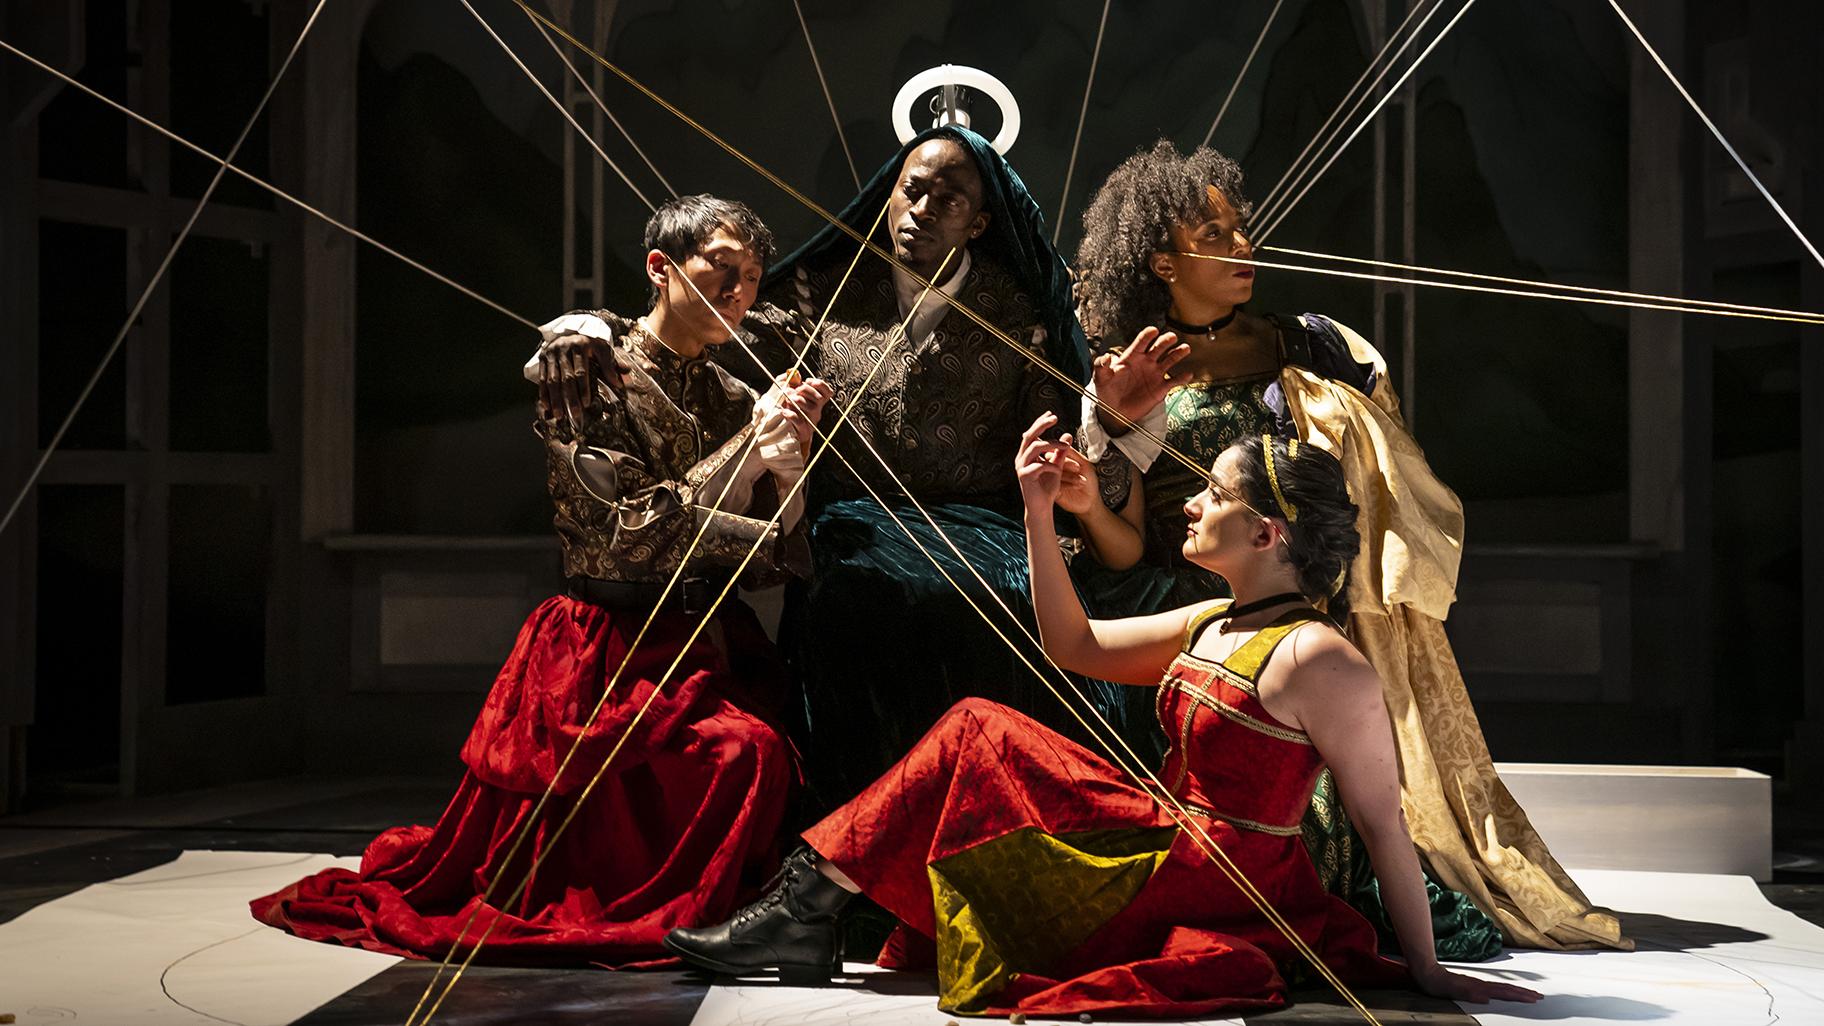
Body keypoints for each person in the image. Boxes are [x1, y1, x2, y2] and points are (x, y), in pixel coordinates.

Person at [662, 425, 1544, 1019]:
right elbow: (1071, 643)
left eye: (1212, 494)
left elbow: (1381, 824)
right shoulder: (1211, 619)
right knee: (980, 726)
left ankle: (804, 909)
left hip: (1219, 878)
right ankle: (807, 903)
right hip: (1169, 836)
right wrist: (1040, 513)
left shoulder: (1321, 659)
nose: (1190, 505)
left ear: (1268, 533)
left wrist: (1423, 973)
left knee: (979, 730)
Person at [1066, 140, 1626, 952]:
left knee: (1338, 804)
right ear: (1160, 259)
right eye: (1214, 236)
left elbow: (1375, 482)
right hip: (1181, 609)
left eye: (1241, 231)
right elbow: (1119, 548)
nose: (1242, 250)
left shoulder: (1307, 347)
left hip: (1295, 610)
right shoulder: (1126, 374)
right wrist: (1111, 429)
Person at [250, 195, 833, 966]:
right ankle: (663, 914)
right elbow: (619, 535)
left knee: (772, 749)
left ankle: (731, 917)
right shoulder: (585, 367)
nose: (738, 294)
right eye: (720, 271)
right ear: (661, 268)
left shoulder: (727, 395)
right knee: (738, 754)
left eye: (752, 277)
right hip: (603, 647)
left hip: (698, 641)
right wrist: (748, 456)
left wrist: (788, 470)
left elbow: (761, 558)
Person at [733, 124, 1137, 810]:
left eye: (946, 200)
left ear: (979, 222)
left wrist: (1096, 443)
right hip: (855, 522)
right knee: (850, 602)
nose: (921, 210)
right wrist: (594, 327)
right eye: (911, 191)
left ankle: (1000, 826)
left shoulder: (1021, 309)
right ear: (888, 195)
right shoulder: (820, 288)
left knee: (1012, 604)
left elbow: (1053, 429)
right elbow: (712, 333)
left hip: (982, 522)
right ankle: (851, 839)